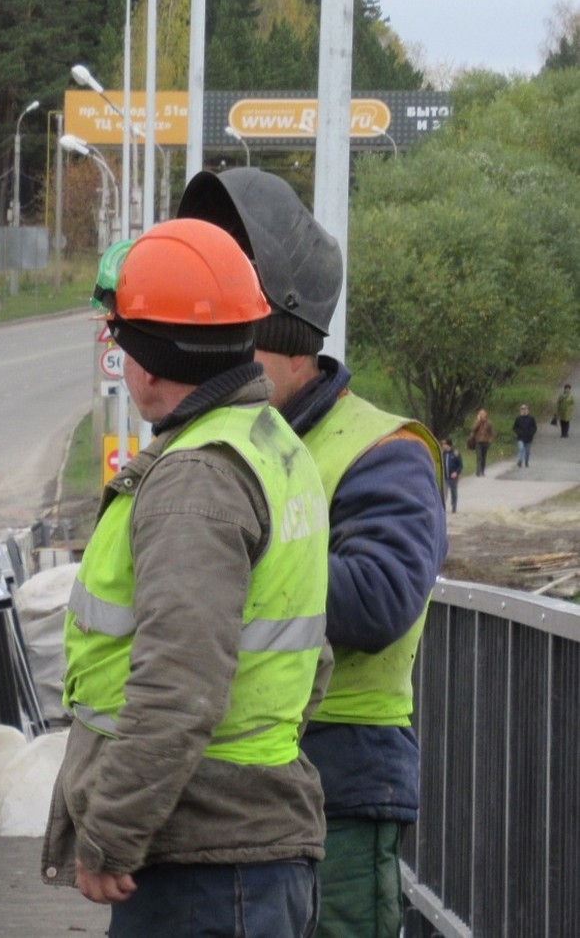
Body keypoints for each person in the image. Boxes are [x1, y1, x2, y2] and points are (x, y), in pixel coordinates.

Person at [42, 217, 330, 937]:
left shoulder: (195, 477)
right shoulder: (272, 443)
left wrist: (110, 830)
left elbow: (180, 682)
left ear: (146, 361)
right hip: (247, 847)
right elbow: (309, 662)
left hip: (203, 863)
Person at [181, 167, 447, 938]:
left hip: (342, 780)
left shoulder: (380, 448)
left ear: (287, 340)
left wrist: (221, 564)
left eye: (233, 333)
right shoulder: (223, 442)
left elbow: (383, 596)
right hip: (233, 782)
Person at [469, 408, 495, 476]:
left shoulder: (489, 423)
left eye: (483, 414)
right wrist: (478, 421)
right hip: (478, 441)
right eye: (480, 414)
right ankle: (478, 471)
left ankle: (482, 471)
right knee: (479, 457)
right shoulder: (477, 422)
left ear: (486, 414)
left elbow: (491, 433)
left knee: (484, 457)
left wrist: (490, 440)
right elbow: (473, 429)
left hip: (485, 442)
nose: (482, 415)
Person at [441, 439, 463, 514]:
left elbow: (460, 465)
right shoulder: (442, 454)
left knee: (454, 492)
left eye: (444, 444)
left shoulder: (455, 453)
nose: (443, 446)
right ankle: (442, 507)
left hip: (453, 477)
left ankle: (454, 506)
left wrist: (456, 473)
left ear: (448, 445)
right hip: (445, 477)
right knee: (444, 493)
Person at [514, 403, 538, 468]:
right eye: (522, 409)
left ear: (528, 410)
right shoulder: (518, 418)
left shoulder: (531, 418)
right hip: (520, 437)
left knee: (527, 451)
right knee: (521, 448)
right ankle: (520, 461)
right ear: (520, 410)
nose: (524, 410)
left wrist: (531, 433)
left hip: (528, 437)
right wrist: (518, 432)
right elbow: (515, 427)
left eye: (525, 409)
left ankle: (526, 461)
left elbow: (534, 427)